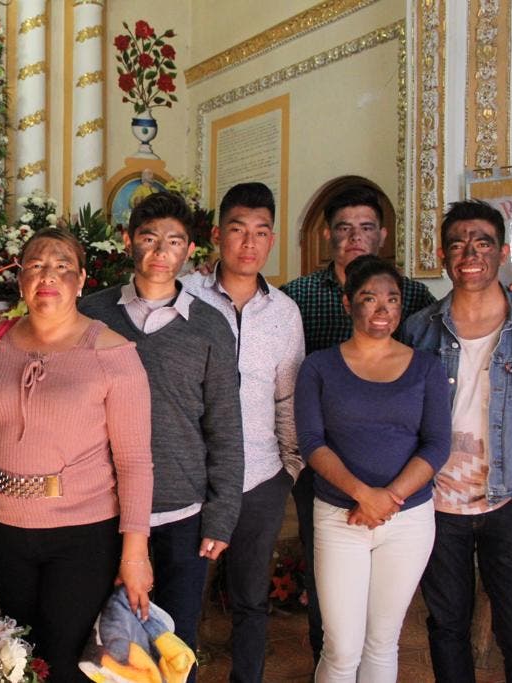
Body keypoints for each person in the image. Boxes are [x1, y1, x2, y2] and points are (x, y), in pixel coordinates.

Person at [0, 228, 154, 683]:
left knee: (63, 662)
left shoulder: (113, 354)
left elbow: (134, 462)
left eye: (61, 267)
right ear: (21, 279)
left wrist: (135, 554)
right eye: (36, 266)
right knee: (17, 655)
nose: (48, 276)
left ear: (82, 280)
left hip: (82, 533)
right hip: (2, 527)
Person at [79, 191, 245, 683]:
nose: (160, 251)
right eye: (149, 238)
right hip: (101, 506)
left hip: (182, 510)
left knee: (175, 646)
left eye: (173, 241)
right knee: (103, 647)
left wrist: (222, 514)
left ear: (190, 250)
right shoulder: (92, 314)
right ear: (128, 240)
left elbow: (225, 426)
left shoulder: (210, 325)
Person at [279, 185, 437, 660]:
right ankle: (330, 659)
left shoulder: (414, 295)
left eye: (366, 227)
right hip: (327, 466)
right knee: (333, 609)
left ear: (382, 235)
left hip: (397, 478)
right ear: (328, 234)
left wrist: (388, 496)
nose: (354, 237)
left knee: (382, 632)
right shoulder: (299, 296)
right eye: (344, 228)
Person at [295, 254, 451, 682]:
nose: (383, 309)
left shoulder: (426, 367)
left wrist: (389, 499)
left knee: (382, 643)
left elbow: (437, 443)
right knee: (341, 648)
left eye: (392, 299)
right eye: (369, 298)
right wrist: (365, 495)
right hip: (339, 516)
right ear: (348, 303)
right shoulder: (319, 367)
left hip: (408, 520)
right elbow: (312, 443)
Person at [404, 199, 512, 682]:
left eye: (482, 243)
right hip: (438, 503)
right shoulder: (419, 329)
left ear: (503, 253)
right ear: (443, 255)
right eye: (458, 244)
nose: (470, 254)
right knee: (446, 627)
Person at [180, 182, 305, 682]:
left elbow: (287, 398)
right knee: (182, 598)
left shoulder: (284, 313)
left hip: (260, 477)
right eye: (237, 230)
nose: (248, 243)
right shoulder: (184, 295)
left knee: (251, 598)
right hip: (192, 476)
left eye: (260, 232)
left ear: (272, 238)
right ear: (217, 235)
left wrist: (289, 469)